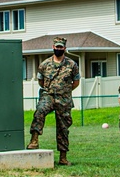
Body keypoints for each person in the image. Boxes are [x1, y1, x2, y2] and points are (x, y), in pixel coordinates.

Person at [27, 36, 80, 166]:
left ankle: (63, 157)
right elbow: (41, 81)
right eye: (57, 47)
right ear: (53, 47)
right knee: (40, 111)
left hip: (64, 99)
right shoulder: (45, 64)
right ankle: (34, 140)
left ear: (65, 48)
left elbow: (76, 82)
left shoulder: (72, 65)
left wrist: (65, 90)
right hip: (48, 95)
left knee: (63, 127)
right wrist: (51, 89)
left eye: (61, 47)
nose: (59, 49)